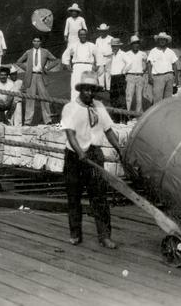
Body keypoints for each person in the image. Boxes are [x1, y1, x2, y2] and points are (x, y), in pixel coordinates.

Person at [61, 71, 123, 249]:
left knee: (100, 197)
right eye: (86, 89)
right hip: (75, 156)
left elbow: (108, 130)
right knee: (74, 197)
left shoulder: (99, 106)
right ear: (81, 89)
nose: (89, 92)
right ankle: (75, 233)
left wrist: (120, 149)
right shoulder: (70, 108)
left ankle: (104, 236)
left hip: (95, 155)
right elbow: (70, 134)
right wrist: (80, 152)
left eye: (92, 89)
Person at [16, 36, 59, 125]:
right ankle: (28, 121)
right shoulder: (28, 52)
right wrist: (27, 69)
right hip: (31, 76)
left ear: (40, 42)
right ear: (32, 42)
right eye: (34, 41)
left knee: (44, 98)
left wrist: (47, 68)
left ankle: (48, 120)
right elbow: (19, 62)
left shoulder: (45, 51)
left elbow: (55, 60)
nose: (36, 43)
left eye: (38, 41)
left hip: (41, 76)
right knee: (30, 98)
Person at [147, 32, 179, 103]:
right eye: (160, 39)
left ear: (166, 41)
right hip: (158, 77)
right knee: (157, 99)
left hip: (169, 76)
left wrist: (176, 79)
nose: (162, 41)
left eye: (164, 39)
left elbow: (174, 65)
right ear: (158, 40)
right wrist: (149, 76)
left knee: (168, 100)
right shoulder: (153, 51)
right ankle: (157, 114)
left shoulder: (170, 52)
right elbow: (149, 64)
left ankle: (166, 114)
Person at [68, 29, 97, 102]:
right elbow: (65, 56)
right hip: (77, 66)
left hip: (88, 66)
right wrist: (68, 66)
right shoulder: (73, 45)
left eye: (84, 34)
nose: (83, 36)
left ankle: (88, 102)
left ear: (86, 35)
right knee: (75, 85)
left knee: (88, 85)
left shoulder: (92, 45)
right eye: (81, 34)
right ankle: (74, 103)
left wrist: (96, 67)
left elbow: (99, 56)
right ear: (78, 36)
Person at [123, 35, 147, 113]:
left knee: (139, 98)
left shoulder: (143, 54)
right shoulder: (127, 54)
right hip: (130, 76)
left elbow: (146, 65)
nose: (136, 45)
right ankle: (128, 114)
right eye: (134, 43)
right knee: (129, 97)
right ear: (131, 44)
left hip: (140, 76)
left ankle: (138, 115)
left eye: (137, 43)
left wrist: (143, 71)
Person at [108, 38, 127, 122]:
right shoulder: (112, 55)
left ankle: (124, 119)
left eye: (116, 46)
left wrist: (124, 71)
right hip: (113, 78)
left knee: (121, 99)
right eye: (113, 46)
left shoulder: (123, 54)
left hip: (120, 78)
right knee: (113, 98)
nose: (114, 47)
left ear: (119, 46)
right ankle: (116, 119)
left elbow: (130, 62)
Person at [94, 24, 113, 90]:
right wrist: (96, 60)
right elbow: (95, 50)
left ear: (107, 31)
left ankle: (108, 88)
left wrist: (110, 54)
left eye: (104, 31)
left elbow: (114, 48)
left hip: (109, 57)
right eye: (101, 31)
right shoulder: (97, 40)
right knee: (100, 73)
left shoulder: (111, 38)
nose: (103, 32)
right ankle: (102, 87)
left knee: (108, 73)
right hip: (100, 58)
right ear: (100, 31)